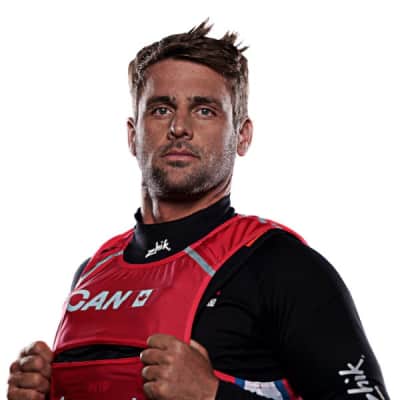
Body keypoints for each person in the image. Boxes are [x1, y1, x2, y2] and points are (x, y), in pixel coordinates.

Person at [7, 20, 390, 400]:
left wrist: (211, 395)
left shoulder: (283, 268)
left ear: (242, 136)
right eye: (161, 109)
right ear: (132, 135)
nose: (179, 127)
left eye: (204, 110)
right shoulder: (92, 274)